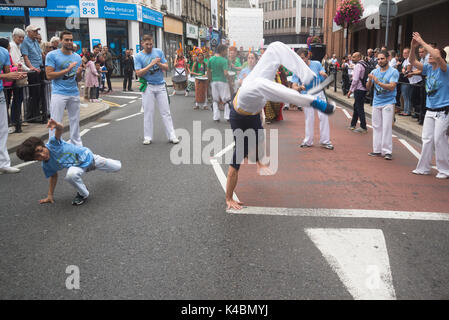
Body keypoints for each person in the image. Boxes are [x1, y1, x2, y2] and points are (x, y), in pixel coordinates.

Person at [225, 41, 335, 210]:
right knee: (239, 156)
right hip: (242, 111)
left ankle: (310, 79)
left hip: (254, 106)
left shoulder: (260, 79)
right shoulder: (258, 87)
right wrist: (229, 199)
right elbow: (233, 171)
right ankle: (315, 102)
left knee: (276, 47)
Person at [16, 119, 121, 205]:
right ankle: (83, 193)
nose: (42, 155)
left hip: (90, 158)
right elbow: (53, 176)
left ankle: (109, 163)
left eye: (41, 150)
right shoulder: (46, 165)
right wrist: (50, 195)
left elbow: (60, 129)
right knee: (70, 175)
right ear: (34, 160)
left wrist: (57, 125)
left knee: (117, 167)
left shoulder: (53, 144)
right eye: (37, 156)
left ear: (42, 145)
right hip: (78, 167)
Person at [409, 33, 449, 179]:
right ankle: (424, 167)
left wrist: (422, 41)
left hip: (443, 110)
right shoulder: (428, 69)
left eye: (432, 53)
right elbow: (412, 61)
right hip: (430, 110)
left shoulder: (445, 69)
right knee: (426, 139)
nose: (429, 56)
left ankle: (444, 169)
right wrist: (413, 47)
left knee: (439, 139)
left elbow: (438, 57)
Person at [135, 34, 179, 145]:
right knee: (148, 112)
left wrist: (158, 63)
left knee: (166, 112)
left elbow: (167, 67)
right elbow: (138, 73)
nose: (149, 46)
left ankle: (172, 136)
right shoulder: (138, 56)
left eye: (151, 44)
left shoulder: (158, 52)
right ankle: (147, 137)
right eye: (147, 44)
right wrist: (151, 64)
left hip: (160, 85)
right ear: (142, 44)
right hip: (148, 86)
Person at [45, 30, 84, 146]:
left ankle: (76, 144)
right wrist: (67, 70)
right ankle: (53, 145)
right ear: (61, 41)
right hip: (59, 93)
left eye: (71, 40)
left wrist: (78, 73)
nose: (69, 42)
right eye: (66, 40)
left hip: (73, 92)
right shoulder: (52, 55)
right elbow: (49, 75)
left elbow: (78, 79)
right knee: (55, 121)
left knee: (75, 120)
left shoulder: (77, 57)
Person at [292, 48, 334, 150]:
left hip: (319, 94)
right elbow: (294, 86)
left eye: (303, 58)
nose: (301, 61)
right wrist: (299, 88)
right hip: (306, 95)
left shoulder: (317, 64)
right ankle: (308, 141)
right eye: (299, 59)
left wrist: (324, 75)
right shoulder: (297, 69)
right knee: (309, 119)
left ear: (307, 57)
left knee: (324, 116)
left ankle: (325, 141)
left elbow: (324, 76)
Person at [366, 50, 399, 161]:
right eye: (378, 59)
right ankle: (377, 149)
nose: (380, 61)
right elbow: (367, 87)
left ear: (388, 58)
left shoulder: (393, 72)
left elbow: (392, 87)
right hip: (376, 102)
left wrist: (378, 82)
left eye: (382, 58)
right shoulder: (374, 71)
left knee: (386, 127)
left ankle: (387, 151)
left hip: (389, 102)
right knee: (376, 126)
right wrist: (370, 80)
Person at [0, 41, 27, 174]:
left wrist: (16, 74)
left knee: (3, 128)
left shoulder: (4, 52)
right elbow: (5, 75)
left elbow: (6, 72)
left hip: (0, 93)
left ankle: (4, 164)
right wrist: (6, 75)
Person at [21, 25, 46, 123]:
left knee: (40, 93)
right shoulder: (25, 42)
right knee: (34, 93)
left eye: (37, 31)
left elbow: (41, 54)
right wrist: (31, 67)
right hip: (33, 71)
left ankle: (37, 114)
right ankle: (32, 116)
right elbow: (25, 57)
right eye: (35, 31)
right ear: (29, 32)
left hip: (40, 69)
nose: (37, 33)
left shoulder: (35, 41)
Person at [9, 28, 28, 134]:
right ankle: (15, 121)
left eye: (22, 37)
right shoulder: (12, 46)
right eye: (19, 37)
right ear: (14, 36)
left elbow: (20, 62)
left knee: (18, 99)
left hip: (19, 74)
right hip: (15, 76)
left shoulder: (18, 46)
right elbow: (15, 62)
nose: (21, 39)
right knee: (16, 100)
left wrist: (28, 69)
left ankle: (16, 120)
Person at [207, 44, 231, 122]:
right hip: (223, 82)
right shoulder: (224, 60)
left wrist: (210, 80)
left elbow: (208, 71)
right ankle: (227, 117)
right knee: (226, 99)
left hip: (214, 81)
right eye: (226, 51)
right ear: (222, 51)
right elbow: (225, 73)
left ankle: (216, 117)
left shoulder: (211, 59)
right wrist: (230, 81)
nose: (227, 53)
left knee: (215, 99)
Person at [348, 52, 368, 133]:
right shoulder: (364, 64)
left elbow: (355, 80)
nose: (352, 59)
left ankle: (363, 127)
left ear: (359, 57)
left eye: (354, 57)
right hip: (363, 89)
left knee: (359, 108)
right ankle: (353, 124)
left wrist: (350, 90)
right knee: (356, 106)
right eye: (352, 57)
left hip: (359, 89)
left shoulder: (358, 66)